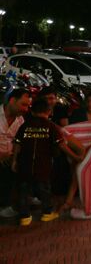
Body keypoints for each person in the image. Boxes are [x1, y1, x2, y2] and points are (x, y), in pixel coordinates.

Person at [12, 97, 84, 225]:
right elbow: (62, 145)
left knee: (23, 191)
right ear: (49, 112)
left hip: (24, 166)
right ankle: (47, 213)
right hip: (43, 167)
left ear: (32, 112)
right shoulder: (51, 127)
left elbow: (17, 144)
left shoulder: (25, 126)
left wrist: (14, 161)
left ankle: (25, 217)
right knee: (44, 190)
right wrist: (75, 157)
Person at [0, 89, 31, 219]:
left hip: (9, 158)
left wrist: (14, 157)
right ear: (12, 100)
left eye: (28, 106)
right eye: (23, 105)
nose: (26, 109)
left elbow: (21, 142)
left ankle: (8, 204)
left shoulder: (20, 121)